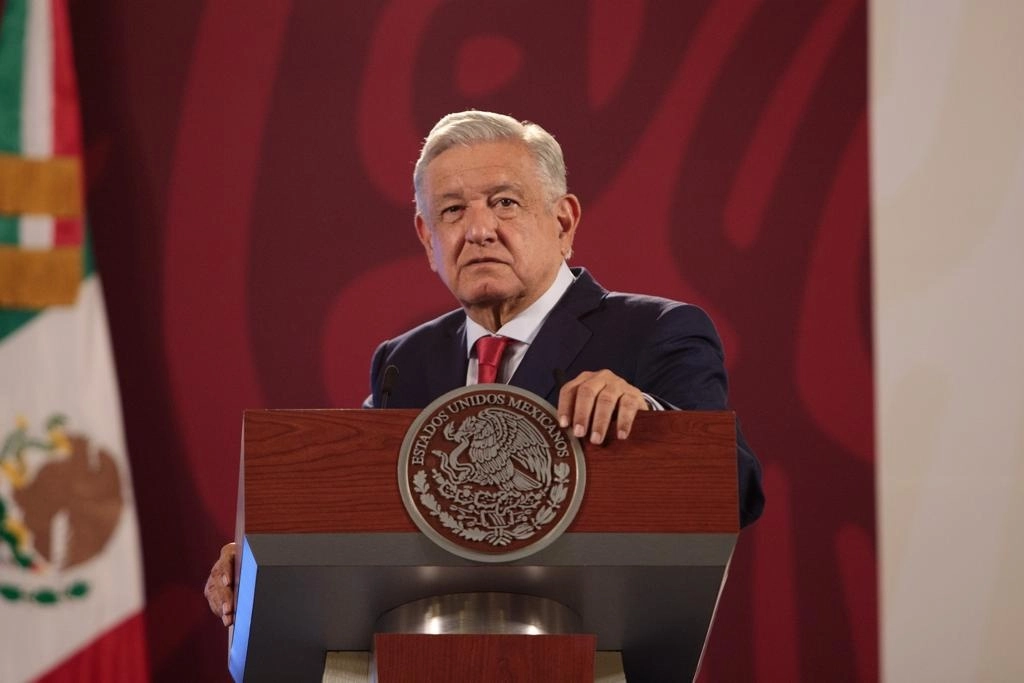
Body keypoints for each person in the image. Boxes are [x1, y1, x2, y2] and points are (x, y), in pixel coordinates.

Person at [204, 110, 764, 627]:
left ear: (564, 222)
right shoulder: (403, 363)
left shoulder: (656, 332)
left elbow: (734, 492)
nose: (477, 230)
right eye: (452, 211)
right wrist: (266, 557)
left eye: (504, 202)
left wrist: (649, 417)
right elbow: (361, 505)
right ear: (429, 239)